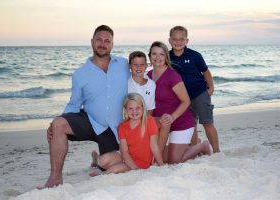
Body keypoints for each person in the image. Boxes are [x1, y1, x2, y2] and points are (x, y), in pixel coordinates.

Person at [42, 25, 130, 188]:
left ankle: (97, 160)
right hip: (92, 122)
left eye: (107, 41)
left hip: (118, 129)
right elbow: (74, 104)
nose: (102, 44)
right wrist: (55, 124)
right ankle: (55, 178)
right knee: (58, 124)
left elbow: (142, 77)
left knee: (110, 165)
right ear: (92, 42)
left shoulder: (124, 65)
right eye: (99, 40)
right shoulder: (80, 74)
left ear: (112, 45)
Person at [147, 41, 211, 164]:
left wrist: (173, 116)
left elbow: (186, 101)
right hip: (161, 123)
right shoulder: (148, 75)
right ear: (149, 56)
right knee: (161, 158)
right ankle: (187, 147)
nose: (158, 57)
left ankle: (202, 145)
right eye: (154, 54)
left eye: (161, 54)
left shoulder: (172, 75)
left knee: (175, 161)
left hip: (180, 121)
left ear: (166, 56)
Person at [168, 25, 220, 153]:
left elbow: (206, 72)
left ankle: (217, 151)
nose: (178, 42)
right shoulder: (167, 57)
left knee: (207, 122)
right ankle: (195, 149)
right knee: (191, 125)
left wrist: (211, 88)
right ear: (169, 40)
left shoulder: (195, 55)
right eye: (175, 39)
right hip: (182, 98)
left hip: (199, 93)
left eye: (181, 39)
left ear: (187, 41)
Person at [89, 93, 163, 176]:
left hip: (140, 162)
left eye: (137, 108)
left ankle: (101, 175)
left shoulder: (149, 121)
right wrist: (133, 168)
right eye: (130, 108)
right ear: (125, 110)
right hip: (124, 156)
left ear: (143, 108)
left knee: (113, 170)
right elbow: (124, 151)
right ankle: (96, 160)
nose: (134, 111)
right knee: (103, 160)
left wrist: (161, 165)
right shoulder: (122, 127)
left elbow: (154, 146)